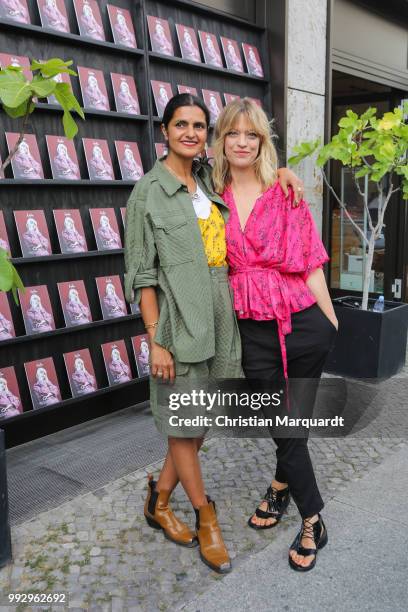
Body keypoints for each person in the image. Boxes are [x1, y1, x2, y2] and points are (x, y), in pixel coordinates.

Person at [124, 93, 302, 574]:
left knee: (198, 423)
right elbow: (141, 273)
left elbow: (254, 176)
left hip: (221, 314)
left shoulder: (207, 178)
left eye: (199, 126)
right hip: (179, 320)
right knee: (185, 421)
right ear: (164, 131)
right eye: (180, 124)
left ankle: (158, 500)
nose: (190, 133)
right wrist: (155, 336)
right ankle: (206, 516)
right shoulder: (148, 191)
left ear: (208, 135)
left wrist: (284, 172)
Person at [212, 98, 338, 572]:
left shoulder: (283, 190)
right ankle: (314, 518)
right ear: (222, 138)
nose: (242, 142)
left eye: (252, 135)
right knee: (282, 423)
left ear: (262, 141)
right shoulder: (209, 193)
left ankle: (281, 488)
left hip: (304, 321)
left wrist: (331, 321)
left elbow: (309, 260)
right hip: (253, 328)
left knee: (295, 424)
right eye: (234, 134)